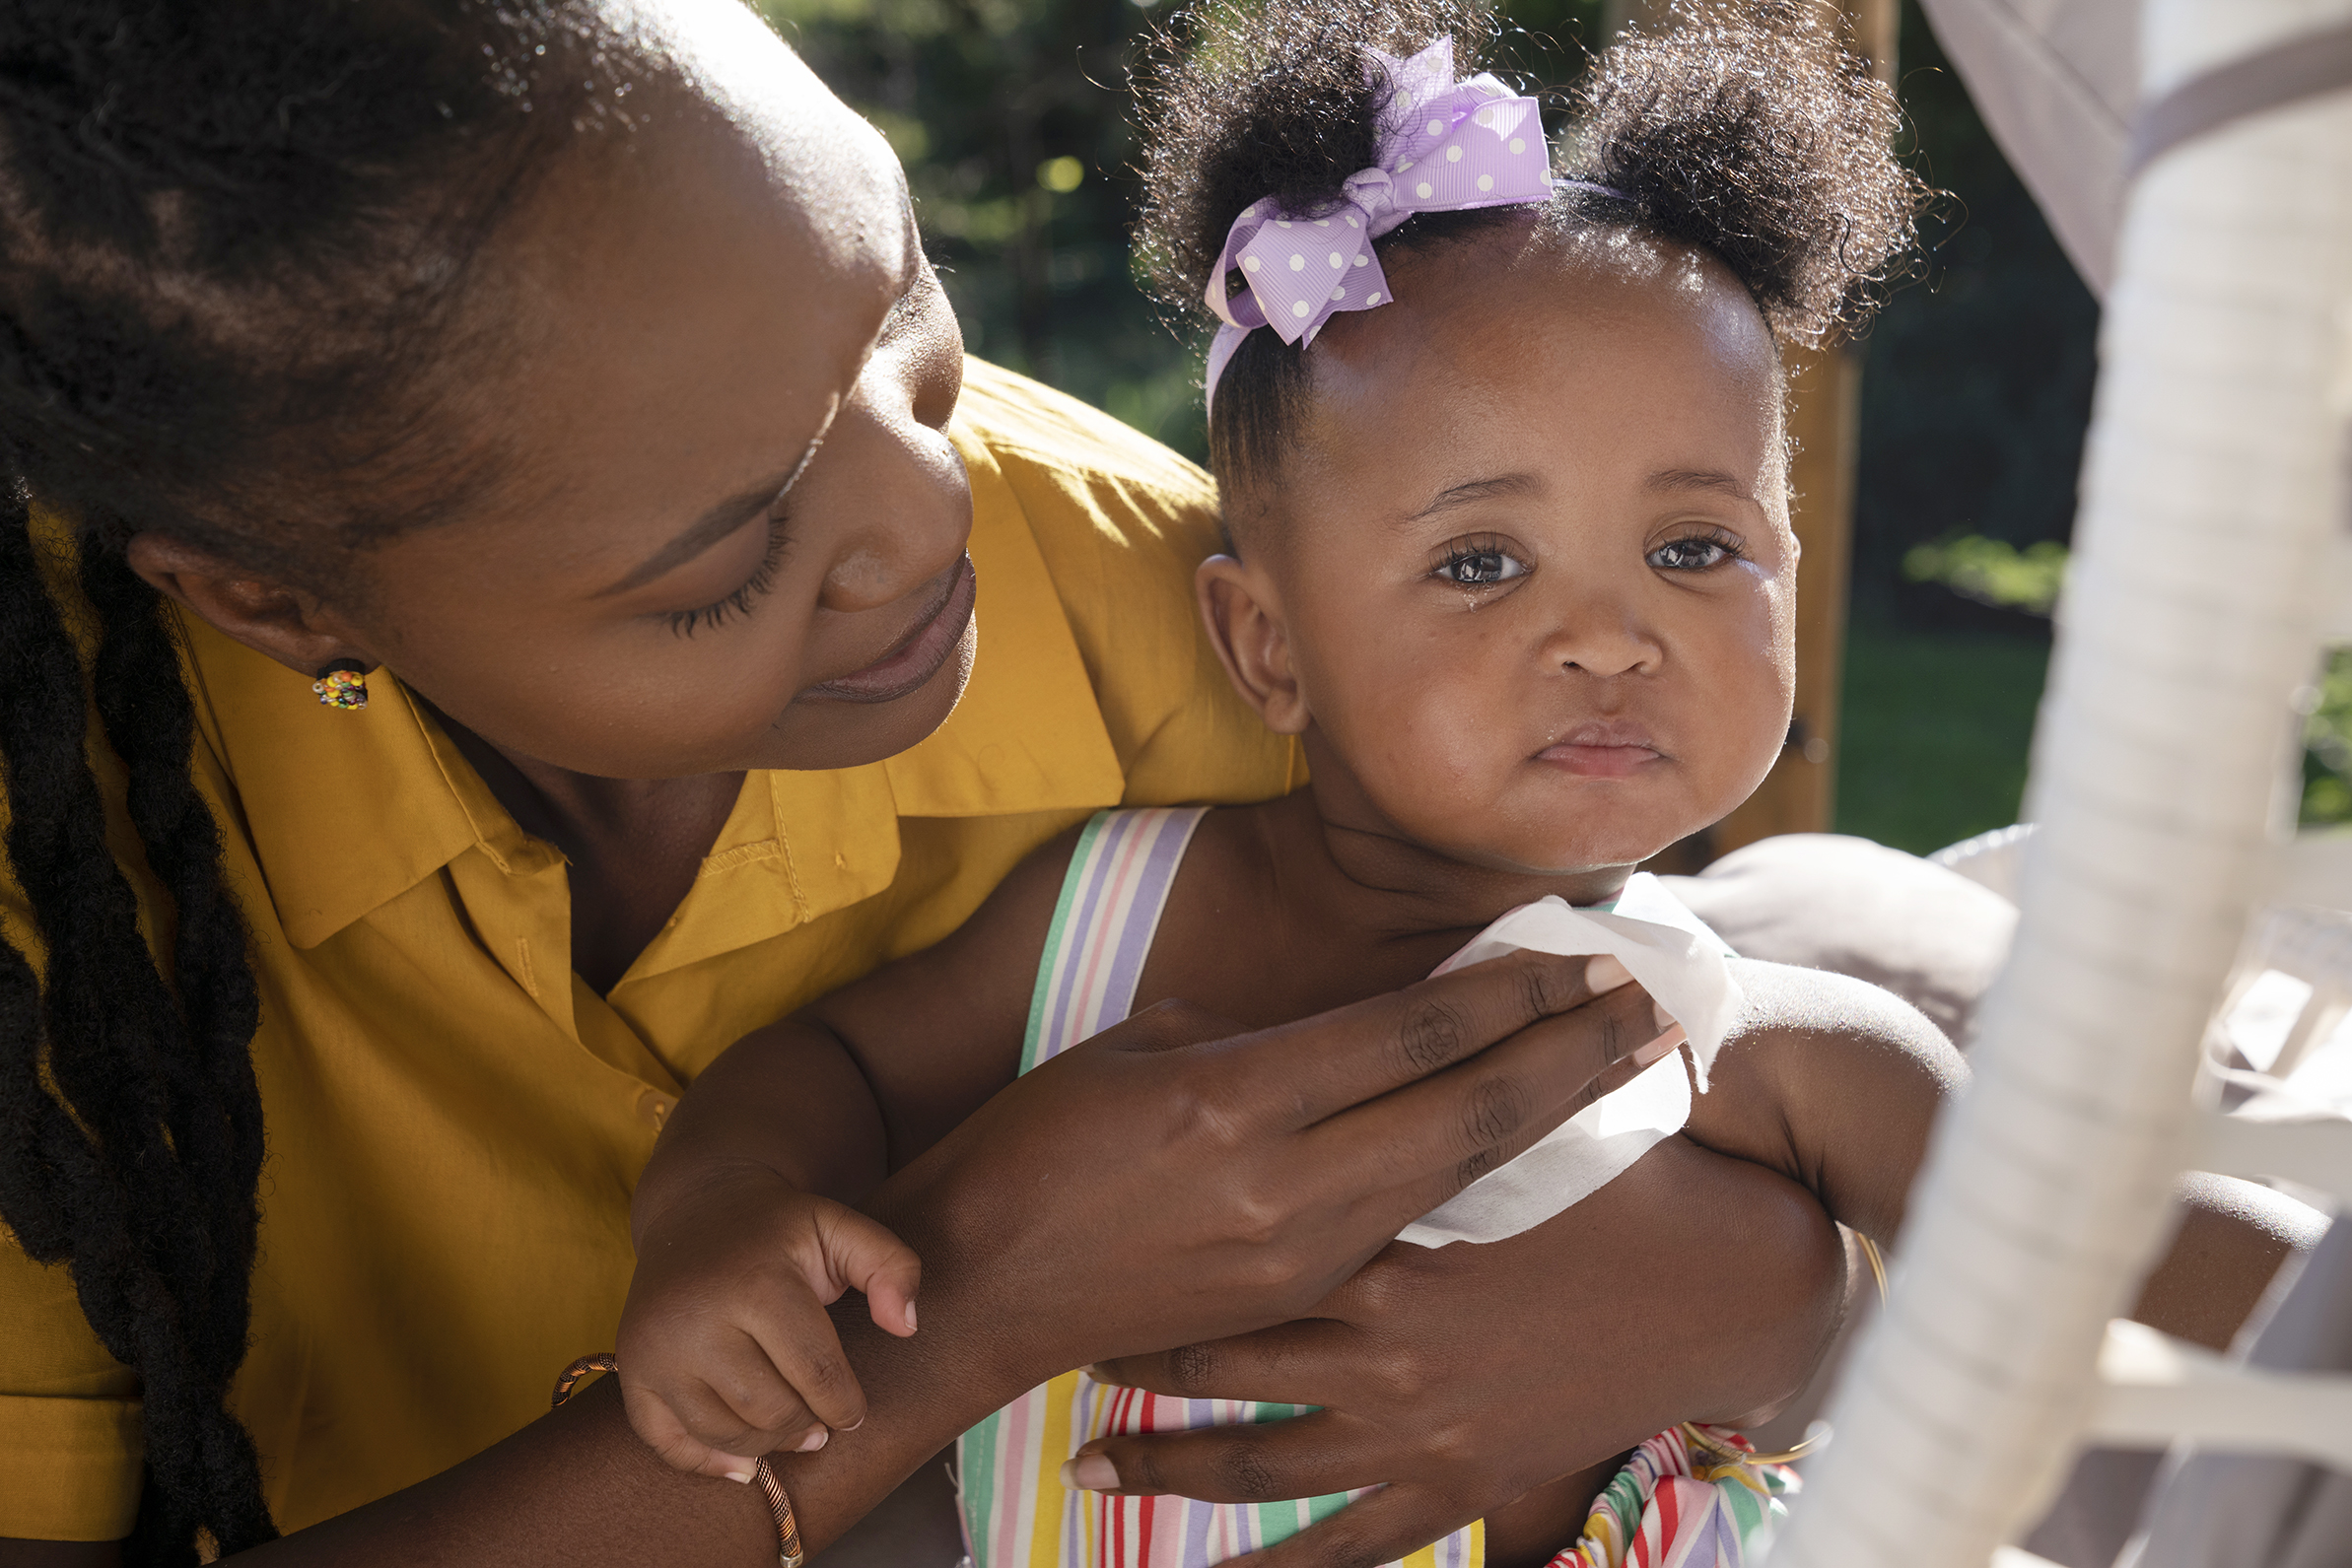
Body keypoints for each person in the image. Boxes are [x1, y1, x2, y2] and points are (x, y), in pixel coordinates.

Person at [0, 3, 1910, 1564]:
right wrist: (968, 1304)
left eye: (906, 333)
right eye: (732, 552)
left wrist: (1787, 1310)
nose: (927, 525)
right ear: (270, 596)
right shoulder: (57, 888)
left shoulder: (1220, 631)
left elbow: (1727, 1083)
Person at [607, 7, 2313, 1567]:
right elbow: (827, 1061)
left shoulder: (1761, 1048)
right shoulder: (1116, 909)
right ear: (1264, 645)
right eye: (1484, 561)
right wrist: (725, 1213)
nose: (1606, 636)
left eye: (1694, 546)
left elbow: (2136, 1250)